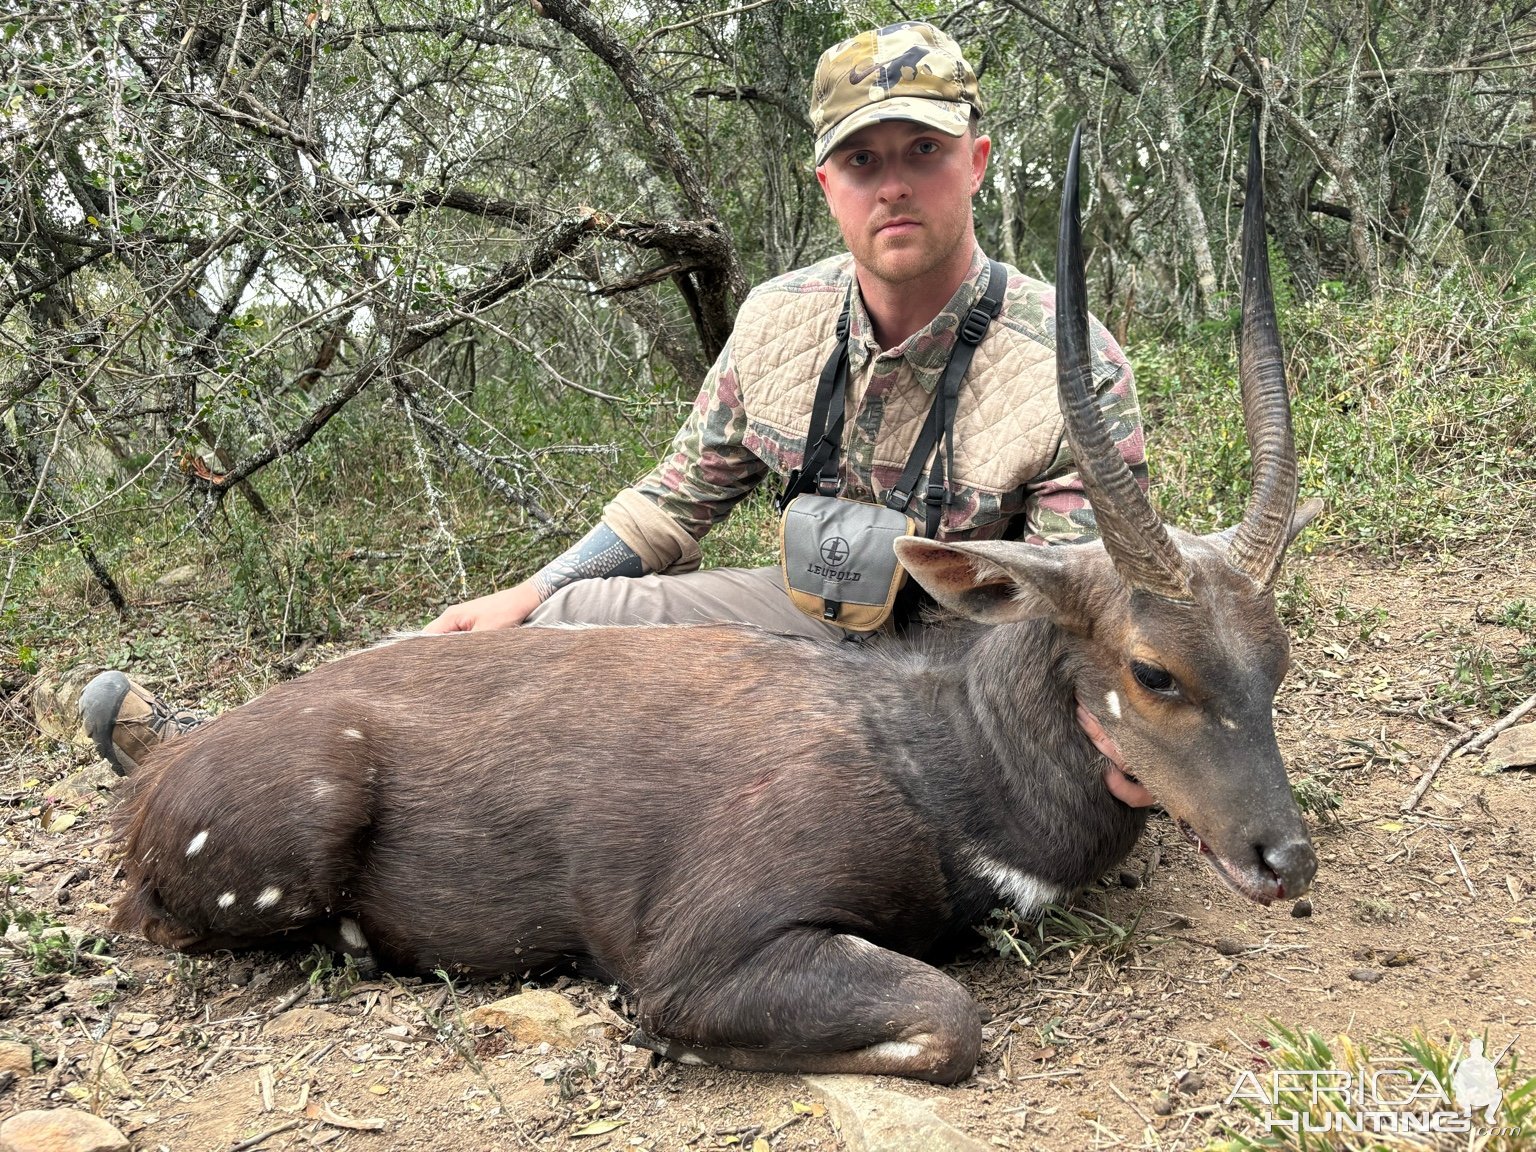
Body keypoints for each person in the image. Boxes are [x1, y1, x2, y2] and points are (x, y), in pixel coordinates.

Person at [79, 21, 1152, 806]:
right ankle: (223, 750)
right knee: (540, 636)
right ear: (826, 182)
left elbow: (1084, 612)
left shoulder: (1070, 361)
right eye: (863, 161)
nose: (895, 187)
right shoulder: (781, 320)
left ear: (975, 159)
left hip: (970, 678)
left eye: (923, 152)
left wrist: (1122, 747)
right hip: (805, 621)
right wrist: (535, 590)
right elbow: (674, 503)